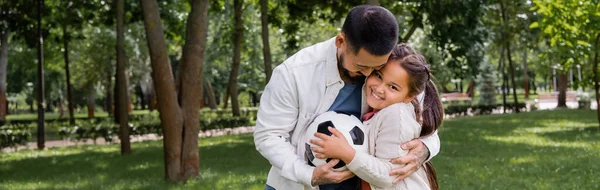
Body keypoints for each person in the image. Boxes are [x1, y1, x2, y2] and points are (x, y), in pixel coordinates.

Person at [253, 5, 440, 190]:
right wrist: (309, 175)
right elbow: (268, 135)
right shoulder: (293, 73)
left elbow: (421, 123)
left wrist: (425, 148)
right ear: (340, 41)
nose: (368, 74)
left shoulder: (393, 69)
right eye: (361, 65)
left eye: (377, 68)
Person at [310, 44, 443, 190]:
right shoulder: (378, 110)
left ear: (409, 96)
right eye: (378, 76)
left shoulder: (395, 115)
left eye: (393, 87)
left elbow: (389, 176)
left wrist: (346, 153)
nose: (379, 89)